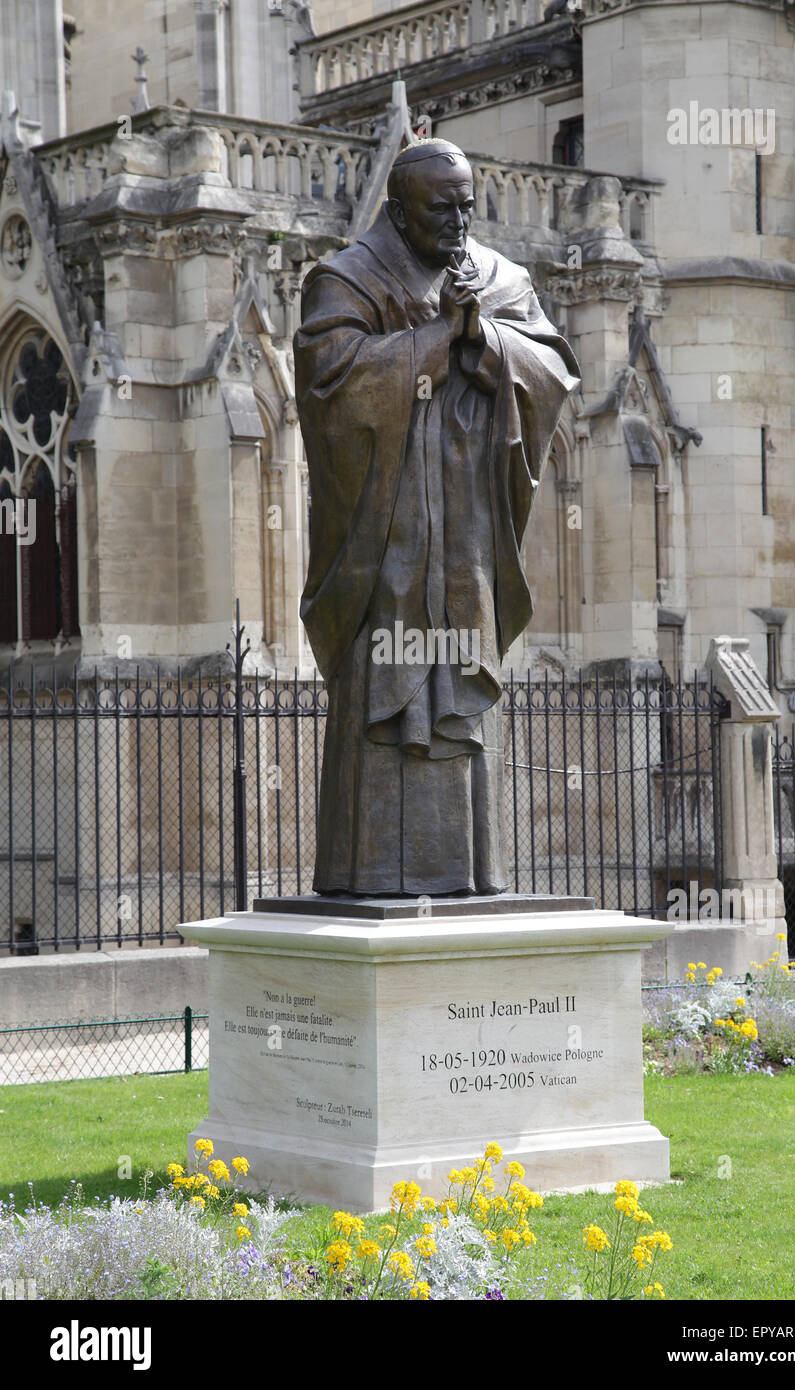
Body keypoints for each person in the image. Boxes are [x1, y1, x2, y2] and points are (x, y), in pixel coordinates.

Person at [294, 139, 580, 895]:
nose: (459, 222)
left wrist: (483, 333)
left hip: (468, 537)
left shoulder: (500, 278)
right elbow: (330, 382)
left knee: (459, 689)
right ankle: (370, 876)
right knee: (386, 684)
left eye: (467, 205)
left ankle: (464, 873)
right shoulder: (343, 278)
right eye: (440, 208)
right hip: (385, 531)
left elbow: (553, 367)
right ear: (396, 210)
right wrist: (435, 336)